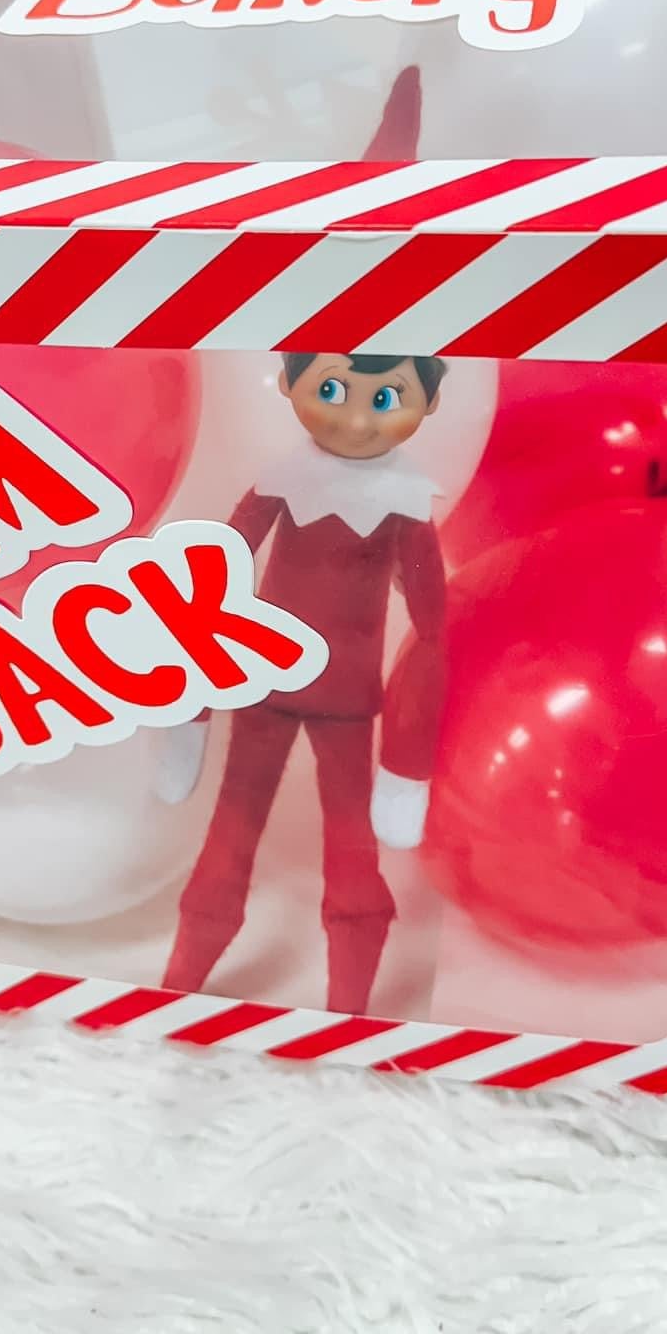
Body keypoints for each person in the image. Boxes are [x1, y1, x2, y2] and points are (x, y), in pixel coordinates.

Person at [159, 349, 448, 1014]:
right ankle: (177, 986)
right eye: (333, 390)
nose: (357, 421)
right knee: (235, 835)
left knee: (343, 849)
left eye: (385, 399)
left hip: (340, 703)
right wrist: (191, 708)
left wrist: (406, 763)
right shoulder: (283, 485)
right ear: (289, 384)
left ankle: (347, 1009)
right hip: (265, 687)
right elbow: (212, 582)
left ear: (430, 404)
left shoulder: (404, 505)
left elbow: (433, 633)